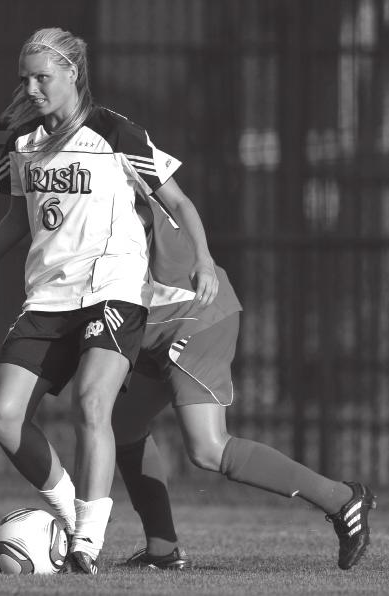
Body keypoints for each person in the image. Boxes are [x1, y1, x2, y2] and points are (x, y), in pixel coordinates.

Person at [0, 27, 217, 574]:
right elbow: (16, 220)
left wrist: (202, 258)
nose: (32, 88)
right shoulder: (25, 143)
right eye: (26, 78)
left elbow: (179, 200)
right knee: (1, 413)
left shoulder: (115, 132)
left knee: (92, 400)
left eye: (43, 76)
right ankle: (67, 515)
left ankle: (86, 542)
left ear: (72, 75)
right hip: (47, 296)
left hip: (112, 288)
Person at [111, 174, 376, 571]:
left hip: (193, 318)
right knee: (123, 424)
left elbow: (149, 214)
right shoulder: (56, 185)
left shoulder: (97, 174)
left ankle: (342, 500)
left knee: (208, 448)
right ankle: (162, 549)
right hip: (155, 326)